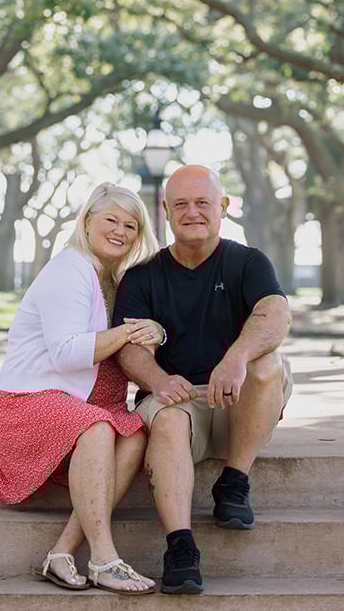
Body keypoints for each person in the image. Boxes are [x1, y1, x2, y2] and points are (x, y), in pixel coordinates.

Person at [115, 164, 292, 595]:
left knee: (267, 366)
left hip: (236, 401)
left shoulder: (247, 262)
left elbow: (276, 314)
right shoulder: (142, 276)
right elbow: (129, 346)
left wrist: (236, 357)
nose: (192, 212)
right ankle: (181, 548)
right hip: (178, 402)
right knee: (169, 418)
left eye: (202, 203)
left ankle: (234, 482)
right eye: (181, 204)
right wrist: (158, 380)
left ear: (223, 207)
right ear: (166, 211)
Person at [0, 182, 162, 596]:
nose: (120, 231)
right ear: (87, 221)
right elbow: (66, 354)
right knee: (97, 428)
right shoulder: (70, 268)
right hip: (28, 402)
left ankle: (61, 552)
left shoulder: (114, 277)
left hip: (81, 403)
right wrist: (127, 332)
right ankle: (104, 558)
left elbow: (138, 335)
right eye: (111, 220)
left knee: (133, 435)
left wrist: (156, 330)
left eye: (130, 226)